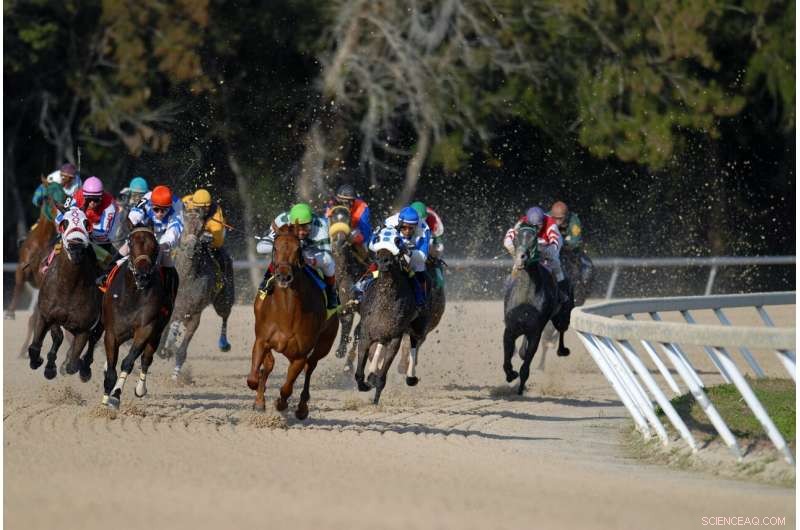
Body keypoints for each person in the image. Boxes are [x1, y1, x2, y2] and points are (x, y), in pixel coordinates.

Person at [100, 185, 182, 303]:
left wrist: (165, 244)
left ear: (170, 207)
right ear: (151, 204)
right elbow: (134, 214)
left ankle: (169, 297)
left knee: (166, 259)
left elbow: (174, 228)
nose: (159, 213)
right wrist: (133, 226)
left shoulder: (177, 205)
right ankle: (106, 276)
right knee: (125, 248)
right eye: (156, 209)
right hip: (144, 230)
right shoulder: (147, 198)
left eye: (164, 210)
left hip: (163, 235)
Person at [256, 203, 339, 310]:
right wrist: (284, 247)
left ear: (311, 223)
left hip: (311, 250)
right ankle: (267, 280)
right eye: (298, 227)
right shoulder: (281, 221)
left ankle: (331, 292)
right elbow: (260, 247)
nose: (302, 231)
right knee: (279, 252)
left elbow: (327, 258)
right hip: (289, 246)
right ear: (291, 223)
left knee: (330, 265)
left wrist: (310, 260)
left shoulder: (320, 226)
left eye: (306, 227)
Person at [503, 206, 570, 304]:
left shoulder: (551, 224)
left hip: (547, 249)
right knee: (517, 265)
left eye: (539, 225)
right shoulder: (523, 221)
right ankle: (508, 288)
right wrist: (510, 245)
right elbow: (511, 233)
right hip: (530, 250)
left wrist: (542, 250)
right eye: (532, 225)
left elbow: (555, 245)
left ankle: (562, 291)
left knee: (555, 263)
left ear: (543, 221)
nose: (536, 228)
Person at [56, 176, 118, 262]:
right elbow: (59, 217)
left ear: (101, 197)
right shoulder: (76, 195)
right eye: (89, 199)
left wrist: (83, 231)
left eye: (96, 200)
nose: (92, 203)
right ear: (83, 195)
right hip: (76, 232)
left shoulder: (110, 205)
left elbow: (103, 235)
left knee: (112, 261)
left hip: (99, 239)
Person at [181, 188, 233, 287]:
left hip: (212, 234)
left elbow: (218, 242)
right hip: (192, 232)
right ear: (193, 203)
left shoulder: (216, 218)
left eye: (203, 209)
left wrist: (206, 240)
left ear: (208, 207)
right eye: (197, 208)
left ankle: (222, 282)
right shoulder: (186, 201)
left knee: (221, 256)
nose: (200, 211)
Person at [382, 206, 431, 307]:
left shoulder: (424, 229)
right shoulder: (389, 222)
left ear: (416, 226)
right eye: (404, 227)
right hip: (392, 251)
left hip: (412, 254)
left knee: (422, 276)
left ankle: (421, 303)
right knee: (375, 265)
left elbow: (423, 257)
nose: (407, 231)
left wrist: (408, 252)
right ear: (399, 224)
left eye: (411, 228)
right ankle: (362, 287)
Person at [549, 200, 594, 296]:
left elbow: (575, 242)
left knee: (588, 267)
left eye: (560, 219)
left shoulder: (574, 221)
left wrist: (561, 243)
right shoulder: (546, 217)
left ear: (566, 216)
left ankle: (584, 290)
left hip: (570, 251)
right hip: (550, 251)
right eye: (555, 219)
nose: (557, 222)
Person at [325, 183, 372, 257]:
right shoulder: (332, 204)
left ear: (353, 202)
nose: (343, 205)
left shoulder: (362, 208)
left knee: (364, 247)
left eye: (346, 203)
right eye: (340, 202)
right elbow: (326, 222)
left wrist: (354, 239)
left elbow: (365, 233)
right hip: (336, 229)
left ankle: (369, 263)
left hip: (355, 230)